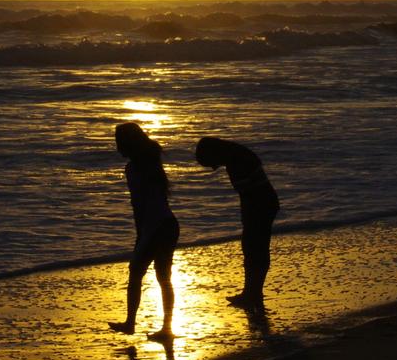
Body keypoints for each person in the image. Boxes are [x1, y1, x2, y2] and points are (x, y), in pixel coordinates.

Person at [108, 122, 180, 339]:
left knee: (136, 273)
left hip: (155, 226)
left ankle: (132, 323)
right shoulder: (151, 163)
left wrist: (140, 234)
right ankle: (165, 327)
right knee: (163, 277)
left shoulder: (134, 168)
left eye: (118, 142)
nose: (116, 146)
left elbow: (139, 205)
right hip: (168, 223)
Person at [195, 136, 279, 309]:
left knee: (255, 248)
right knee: (255, 248)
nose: (212, 167)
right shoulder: (236, 156)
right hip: (262, 204)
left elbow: (249, 192)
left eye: (209, 162)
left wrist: (247, 215)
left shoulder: (236, 161)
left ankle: (252, 293)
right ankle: (252, 292)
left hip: (261, 205)